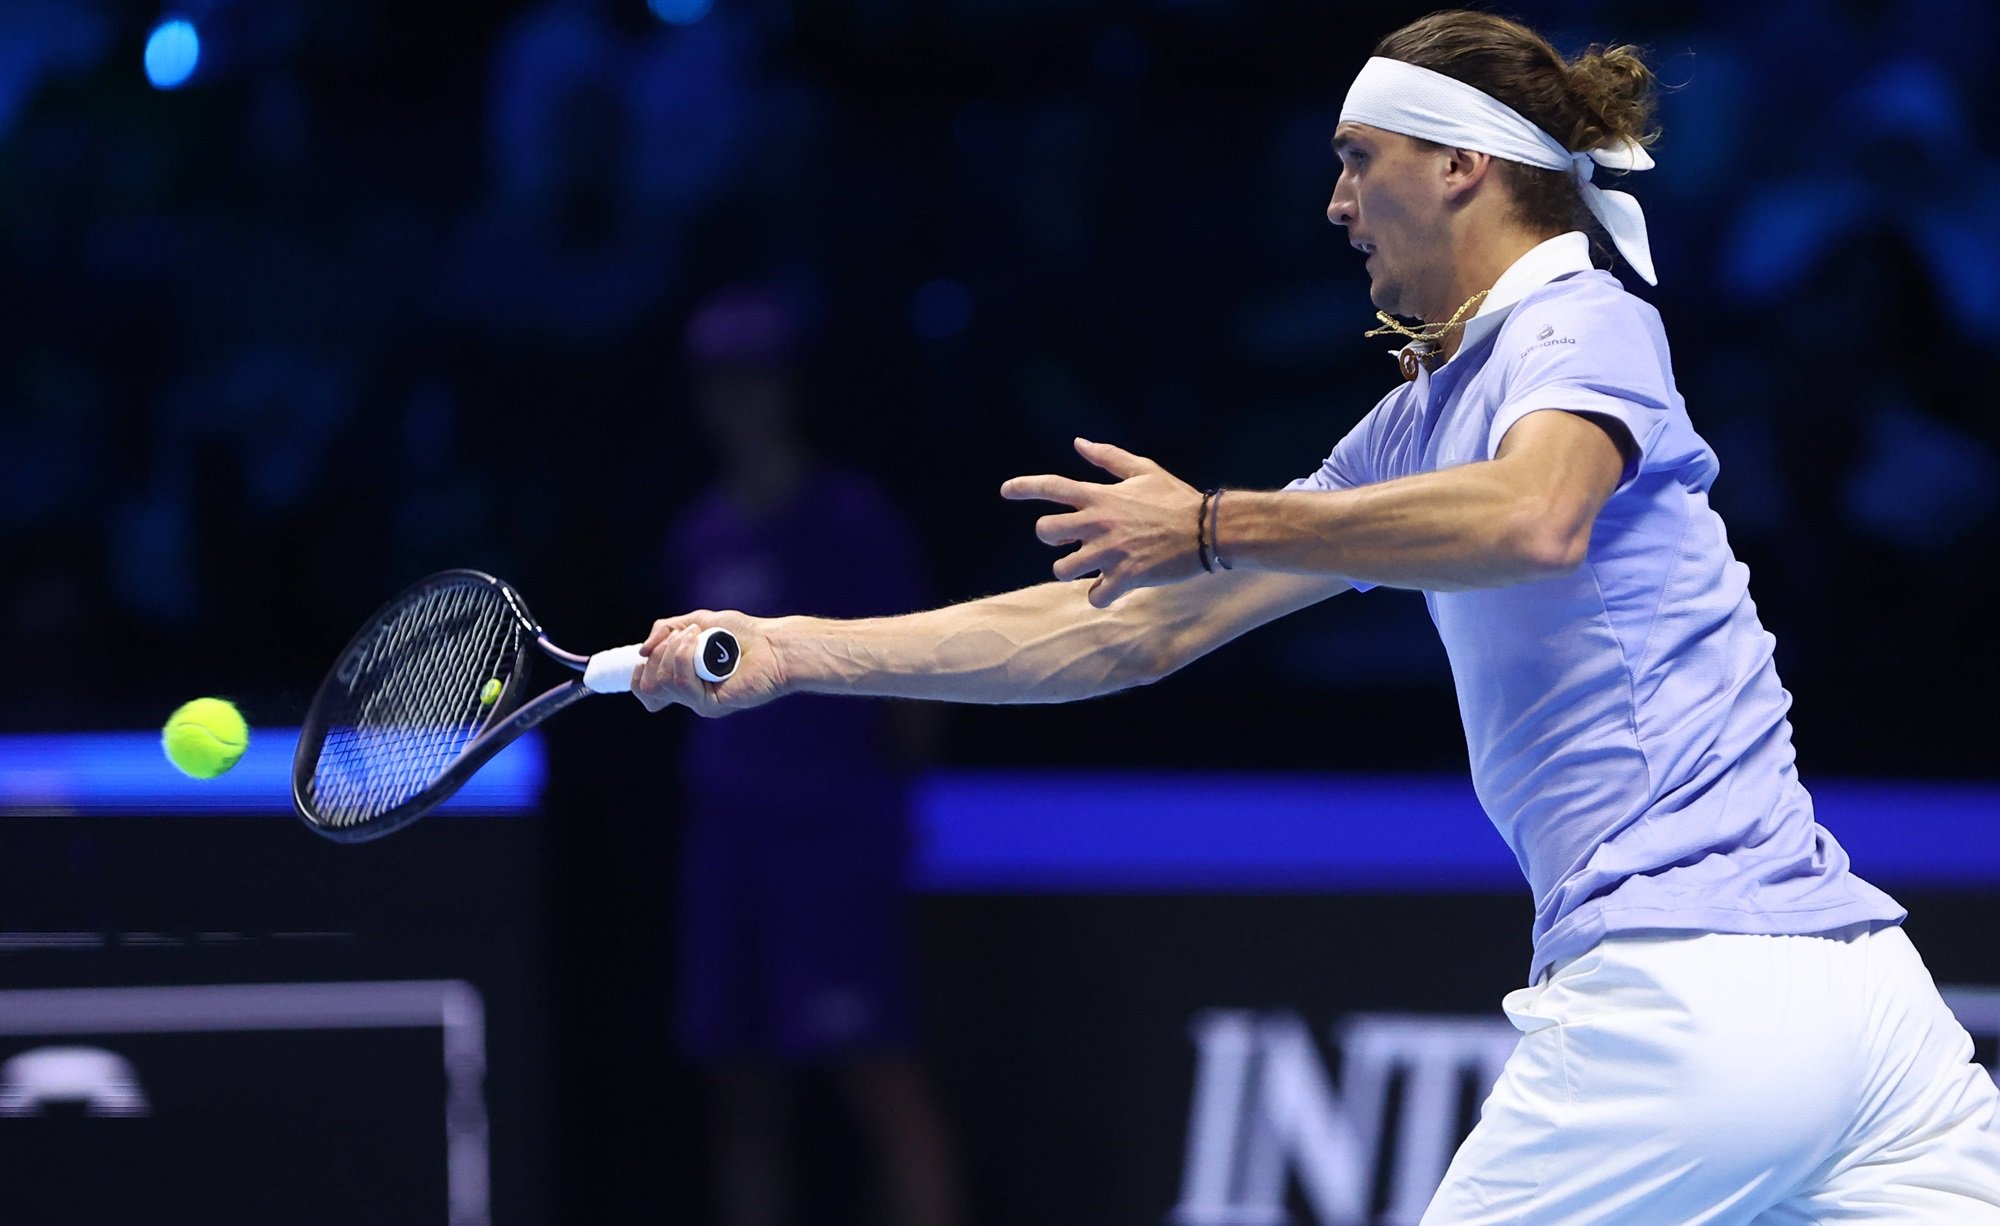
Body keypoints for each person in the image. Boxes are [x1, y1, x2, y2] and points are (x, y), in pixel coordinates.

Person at [632, 12, 2000, 1224]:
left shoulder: (1577, 319)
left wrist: (1223, 515)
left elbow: (1537, 517)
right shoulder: (1415, 424)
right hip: (1860, 1006)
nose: (1337, 202)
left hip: (1694, 995)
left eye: (1360, 159)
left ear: (1461, 163)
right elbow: (1129, 630)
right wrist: (798, 650)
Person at [666, 287, 962, 1226]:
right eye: (719, 383)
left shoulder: (852, 520)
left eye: (754, 379)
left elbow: (914, 681)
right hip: (730, 850)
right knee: (741, 1105)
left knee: (882, 1085)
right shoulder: (697, 536)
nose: (737, 402)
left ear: (787, 389)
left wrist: (877, 817)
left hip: (832, 848)